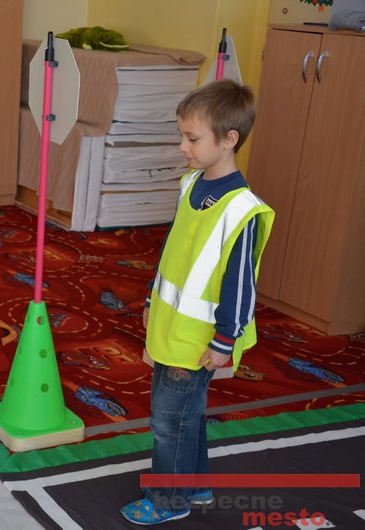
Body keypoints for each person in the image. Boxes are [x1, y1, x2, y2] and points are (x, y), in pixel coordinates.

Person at [120, 79, 275, 525]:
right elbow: (175, 250)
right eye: (182, 136)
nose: (182, 147)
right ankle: (197, 485)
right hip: (172, 328)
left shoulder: (241, 209)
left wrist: (225, 341)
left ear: (229, 140)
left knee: (169, 422)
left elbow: (240, 285)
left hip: (199, 341)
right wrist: (152, 297)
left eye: (192, 138)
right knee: (187, 416)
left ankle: (170, 500)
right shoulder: (191, 185)